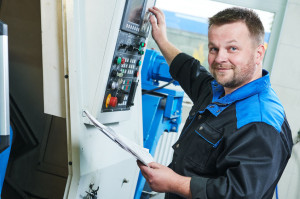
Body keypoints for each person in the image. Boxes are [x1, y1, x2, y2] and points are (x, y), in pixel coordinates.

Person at [137, 6, 294, 199]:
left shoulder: (260, 122)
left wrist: (174, 183)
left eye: (232, 48)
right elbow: (189, 70)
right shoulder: (218, 90)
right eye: (214, 48)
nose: (219, 58)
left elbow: (240, 194)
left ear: (259, 53)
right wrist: (161, 39)